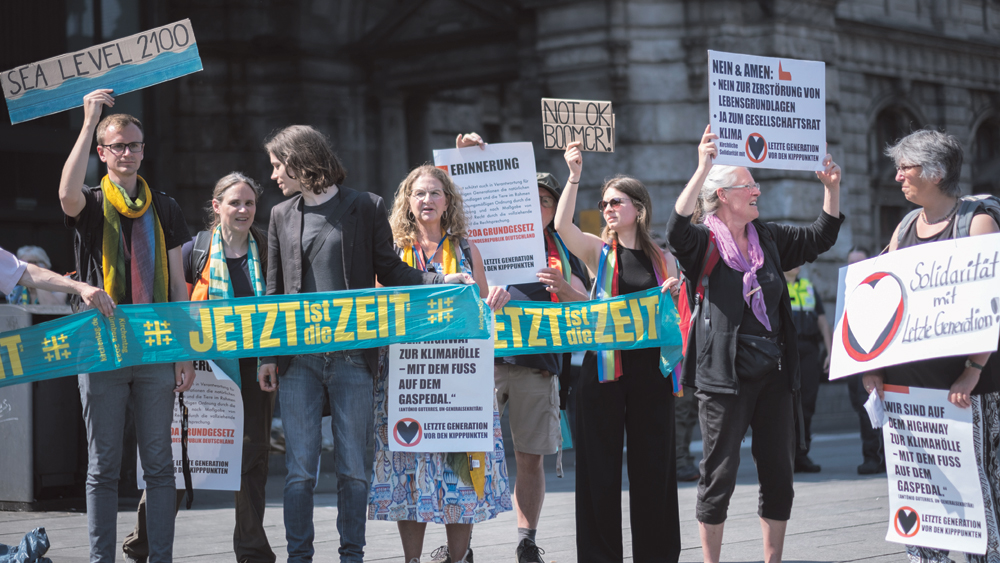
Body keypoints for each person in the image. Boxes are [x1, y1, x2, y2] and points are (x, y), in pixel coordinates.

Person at [256, 125, 469, 563]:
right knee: (299, 472)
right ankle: (300, 556)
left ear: (300, 160)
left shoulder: (365, 205)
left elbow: (391, 270)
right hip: (299, 359)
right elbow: (273, 292)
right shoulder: (279, 214)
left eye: (279, 164)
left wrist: (440, 279)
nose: (274, 174)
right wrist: (267, 355)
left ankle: (351, 554)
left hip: (354, 358)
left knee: (354, 470)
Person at [667, 125, 842, 563]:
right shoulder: (704, 240)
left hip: (774, 374)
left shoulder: (769, 237)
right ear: (724, 195)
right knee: (718, 474)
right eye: (748, 186)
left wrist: (831, 189)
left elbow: (821, 235)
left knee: (779, 473)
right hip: (723, 375)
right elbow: (675, 231)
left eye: (756, 185)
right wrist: (702, 166)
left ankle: (772, 559)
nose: (756, 191)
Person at [59, 89, 195, 563]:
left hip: (155, 351)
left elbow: (179, 286)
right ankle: (102, 559)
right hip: (101, 349)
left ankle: (161, 557)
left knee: (159, 466)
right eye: (118, 146)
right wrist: (89, 119)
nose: (128, 153)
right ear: (102, 153)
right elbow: (65, 193)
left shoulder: (167, 207)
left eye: (135, 145)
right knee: (103, 467)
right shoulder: (92, 204)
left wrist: (185, 351)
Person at [121, 173, 277, 563]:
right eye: (234, 203)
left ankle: (253, 550)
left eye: (249, 204)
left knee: (252, 460)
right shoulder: (196, 251)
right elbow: (173, 301)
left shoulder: (268, 250)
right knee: (178, 455)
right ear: (216, 206)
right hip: (200, 373)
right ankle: (143, 542)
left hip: (252, 372)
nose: (243, 210)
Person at [863, 129, 1000, 563]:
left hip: (965, 390)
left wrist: (973, 368)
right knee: (920, 490)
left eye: (907, 167)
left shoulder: (977, 223)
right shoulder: (904, 228)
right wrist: (874, 367)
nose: (898, 175)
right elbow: (883, 302)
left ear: (936, 172)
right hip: (911, 392)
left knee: (974, 489)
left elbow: (991, 303)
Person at [453, 132, 591, 563]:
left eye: (546, 201)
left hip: (537, 364)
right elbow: (450, 207)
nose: (538, 207)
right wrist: (462, 160)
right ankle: (463, 544)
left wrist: (564, 287)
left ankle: (526, 539)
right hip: (483, 362)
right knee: (466, 454)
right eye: (530, 199)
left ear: (554, 211)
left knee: (530, 458)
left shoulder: (563, 248)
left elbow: (591, 305)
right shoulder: (485, 240)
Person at [367, 163, 511, 563]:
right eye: (418, 194)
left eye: (434, 193)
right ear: (407, 202)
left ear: (448, 202)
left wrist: (496, 297)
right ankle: (412, 560)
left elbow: (483, 311)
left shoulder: (466, 249)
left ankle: (459, 557)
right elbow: (378, 306)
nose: (426, 200)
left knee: (456, 469)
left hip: (459, 380)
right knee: (408, 471)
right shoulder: (392, 250)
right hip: (407, 378)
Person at [554, 140, 681, 563]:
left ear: (638, 209)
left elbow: (677, 314)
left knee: (653, 470)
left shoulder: (663, 258)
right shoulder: (596, 250)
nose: (608, 208)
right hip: (603, 372)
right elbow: (563, 226)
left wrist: (673, 294)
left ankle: (657, 554)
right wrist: (574, 175)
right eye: (604, 202)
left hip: (651, 374)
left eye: (616, 201)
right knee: (599, 472)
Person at [783, 266, 833, 473]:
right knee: (786, 406)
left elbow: (822, 323)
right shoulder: (777, 286)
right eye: (791, 260)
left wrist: (830, 352)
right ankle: (786, 456)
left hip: (810, 351)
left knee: (807, 404)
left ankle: (802, 454)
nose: (796, 264)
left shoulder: (808, 288)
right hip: (786, 351)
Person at [844, 246, 885, 475]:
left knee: (872, 407)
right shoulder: (846, 290)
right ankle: (873, 456)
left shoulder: (878, 288)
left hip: (872, 359)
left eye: (859, 263)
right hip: (853, 360)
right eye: (851, 263)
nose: (854, 268)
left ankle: (876, 458)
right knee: (862, 409)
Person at [0, 246, 115, 316]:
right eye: (24, 261)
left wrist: (82, 288)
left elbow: (27, 273)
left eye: (33, 262)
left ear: (44, 264)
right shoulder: (15, 291)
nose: (30, 265)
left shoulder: (62, 283)